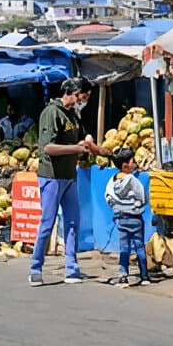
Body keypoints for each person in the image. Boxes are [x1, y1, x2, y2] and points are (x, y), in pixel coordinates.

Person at [29, 76, 105, 286]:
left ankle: (72, 268)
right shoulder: (51, 113)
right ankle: (35, 267)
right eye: (84, 95)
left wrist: (89, 141)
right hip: (51, 177)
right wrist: (77, 149)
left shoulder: (73, 115)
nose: (85, 100)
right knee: (47, 223)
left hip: (70, 176)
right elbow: (48, 148)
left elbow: (82, 137)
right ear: (73, 92)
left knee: (73, 223)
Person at [104, 147, 150, 287]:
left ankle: (123, 273)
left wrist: (117, 208)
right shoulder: (133, 180)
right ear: (126, 166)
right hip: (135, 219)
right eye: (133, 161)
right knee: (139, 247)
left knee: (124, 248)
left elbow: (108, 197)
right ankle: (144, 275)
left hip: (121, 219)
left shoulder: (112, 181)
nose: (135, 163)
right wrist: (138, 207)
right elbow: (142, 196)